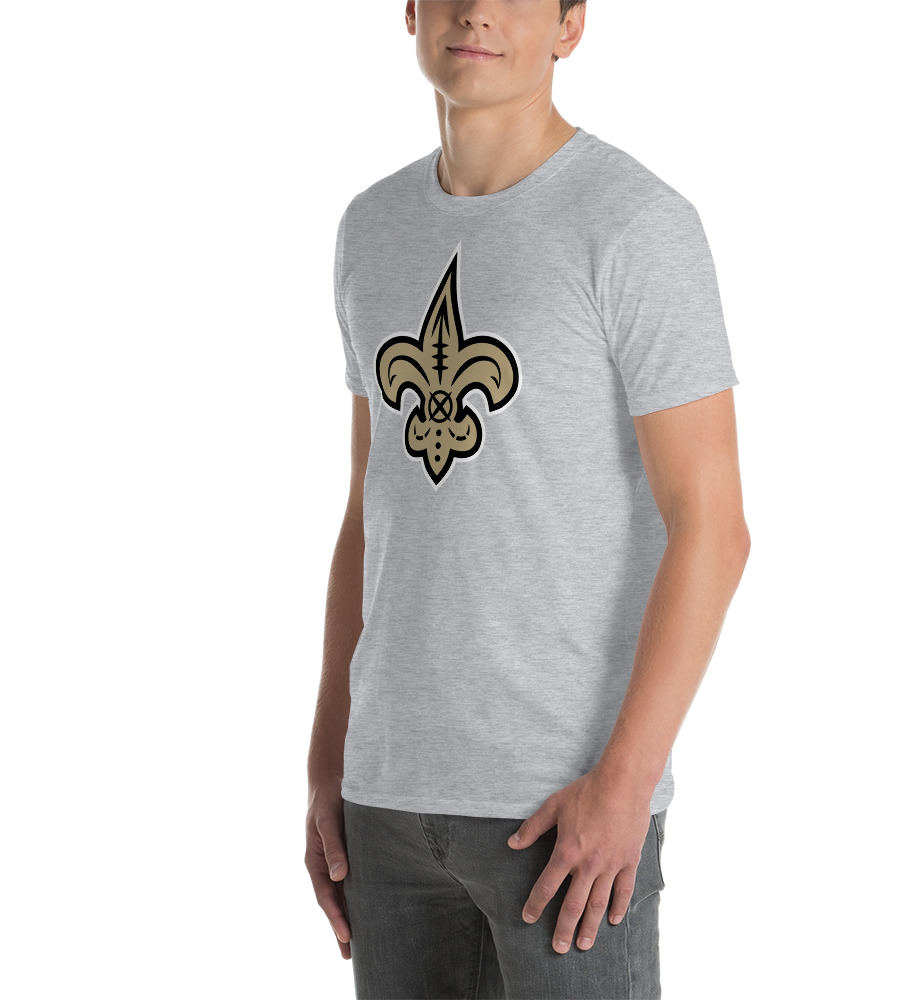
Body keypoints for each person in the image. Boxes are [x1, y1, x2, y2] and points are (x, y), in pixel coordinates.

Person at [305, 2, 750, 997]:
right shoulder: (370, 227)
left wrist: (625, 783)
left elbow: (713, 528)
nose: (476, 11)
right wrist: (329, 757)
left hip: (562, 816)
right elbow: (370, 511)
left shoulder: (633, 223)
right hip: (385, 804)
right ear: (409, 11)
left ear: (569, 25)